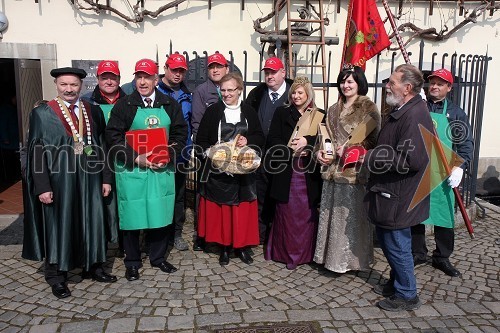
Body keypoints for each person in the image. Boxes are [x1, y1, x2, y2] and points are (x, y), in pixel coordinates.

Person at [22, 67, 117, 299]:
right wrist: (42, 186)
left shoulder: (92, 111)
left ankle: (94, 266)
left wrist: (106, 178)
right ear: (56, 85)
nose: (69, 89)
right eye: (64, 84)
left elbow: (103, 146)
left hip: (90, 179)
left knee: (91, 222)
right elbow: (36, 151)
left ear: (81, 86)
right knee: (59, 225)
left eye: (74, 85)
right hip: (59, 180)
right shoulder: (42, 113)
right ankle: (57, 276)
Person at [106, 58, 187, 281]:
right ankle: (132, 261)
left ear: (156, 78)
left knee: (160, 213)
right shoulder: (125, 104)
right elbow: (113, 136)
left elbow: (181, 133)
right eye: (139, 77)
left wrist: (169, 154)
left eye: (147, 77)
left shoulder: (170, 104)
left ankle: (158, 257)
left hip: (161, 169)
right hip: (133, 171)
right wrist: (135, 158)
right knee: (133, 215)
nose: (142, 82)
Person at [364, 64, 433, 311]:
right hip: (392, 190)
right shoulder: (404, 109)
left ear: (407, 88)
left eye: (392, 83)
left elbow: (411, 160)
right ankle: (398, 282)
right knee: (390, 240)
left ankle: (407, 294)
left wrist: (370, 156)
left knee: (397, 243)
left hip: (399, 192)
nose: (387, 86)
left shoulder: (414, 115)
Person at [314, 65, 380, 273]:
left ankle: (352, 261)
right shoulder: (333, 108)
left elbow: (374, 140)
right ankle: (330, 259)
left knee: (350, 218)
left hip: (353, 171)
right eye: (343, 81)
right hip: (332, 169)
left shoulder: (368, 108)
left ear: (359, 83)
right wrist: (319, 152)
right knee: (331, 215)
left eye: (350, 81)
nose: (346, 85)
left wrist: (353, 149)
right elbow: (322, 136)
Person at [195, 72, 264, 265]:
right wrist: (214, 155)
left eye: (230, 90)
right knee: (224, 210)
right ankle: (224, 247)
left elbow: (260, 136)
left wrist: (248, 139)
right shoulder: (213, 112)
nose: (226, 94)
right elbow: (200, 142)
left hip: (243, 172)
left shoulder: (249, 111)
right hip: (220, 173)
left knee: (241, 210)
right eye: (222, 90)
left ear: (239, 90)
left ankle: (241, 247)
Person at [411, 68, 474, 277]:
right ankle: (417, 252)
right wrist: (414, 105)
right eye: (433, 83)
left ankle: (442, 256)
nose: (435, 87)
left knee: (444, 214)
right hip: (419, 170)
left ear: (449, 87)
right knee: (416, 213)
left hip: (443, 172)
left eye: (440, 83)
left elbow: (465, 144)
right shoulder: (419, 106)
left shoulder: (456, 114)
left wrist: (460, 168)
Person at [264, 76, 324, 270]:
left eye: (300, 92)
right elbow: (272, 139)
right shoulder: (282, 113)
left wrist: (307, 142)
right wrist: (288, 147)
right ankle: (285, 253)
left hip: (308, 172)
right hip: (286, 170)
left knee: (306, 213)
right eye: (294, 93)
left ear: (308, 94)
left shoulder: (318, 114)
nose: (296, 96)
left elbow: (324, 141)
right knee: (286, 213)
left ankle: (306, 253)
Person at [245, 57, 293, 244]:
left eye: (273, 72)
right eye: (267, 72)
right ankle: (260, 234)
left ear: (283, 72)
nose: (270, 76)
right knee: (260, 196)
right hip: (260, 156)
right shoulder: (257, 94)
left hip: (284, 157)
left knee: (281, 198)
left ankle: (278, 236)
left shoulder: (294, 94)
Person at [82, 60, 127, 254]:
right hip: (99, 161)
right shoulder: (86, 101)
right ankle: (102, 244)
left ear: (118, 79)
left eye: (113, 77)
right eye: (104, 77)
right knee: (102, 204)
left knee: (125, 203)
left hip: (125, 159)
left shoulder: (129, 100)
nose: (109, 81)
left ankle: (126, 243)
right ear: (98, 79)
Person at [191, 52, 229, 250]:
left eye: (219, 66)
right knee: (204, 193)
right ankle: (202, 235)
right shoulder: (201, 91)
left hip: (229, 155)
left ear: (226, 69)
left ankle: (224, 233)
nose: (215, 70)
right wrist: (206, 151)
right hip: (208, 153)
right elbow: (196, 124)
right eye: (212, 67)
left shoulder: (232, 89)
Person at [157, 53, 192, 251]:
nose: (177, 74)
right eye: (174, 69)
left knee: (179, 195)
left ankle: (176, 233)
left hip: (181, 155)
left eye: (181, 71)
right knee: (158, 194)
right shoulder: (155, 91)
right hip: (159, 152)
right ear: (166, 68)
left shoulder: (188, 94)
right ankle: (157, 233)